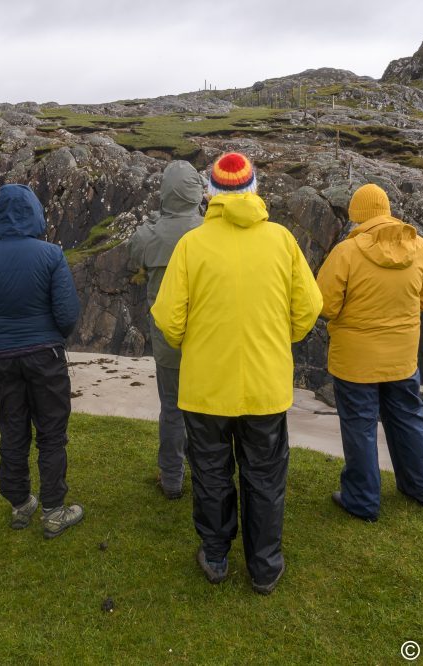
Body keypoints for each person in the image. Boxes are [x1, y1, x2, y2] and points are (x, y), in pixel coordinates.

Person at [152, 152, 322, 595]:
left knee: (210, 472)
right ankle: (265, 567)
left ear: (210, 192)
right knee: (265, 475)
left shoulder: (192, 244)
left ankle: (215, 555)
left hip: (205, 388)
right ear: (254, 188)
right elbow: (309, 308)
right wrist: (277, 341)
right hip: (266, 386)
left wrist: (194, 345)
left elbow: (168, 318)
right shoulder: (281, 240)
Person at [315, 183, 423, 523]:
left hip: (355, 360)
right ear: (386, 210)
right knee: (408, 419)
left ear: (356, 215)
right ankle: (422, 487)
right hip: (402, 357)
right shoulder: (422, 248)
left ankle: (362, 500)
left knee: (360, 426)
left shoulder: (347, 252)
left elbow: (325, 304)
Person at [0, 184, 83, 539]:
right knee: (51, 433)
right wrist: (51, 334)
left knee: (12, 430)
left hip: (4, 357)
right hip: (45, 354)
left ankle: (20, 504)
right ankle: (53, 510)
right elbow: (67, 313)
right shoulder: (51, 255)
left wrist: (0, 332)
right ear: (35, 211)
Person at [127, 160, 204, 500]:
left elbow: (135, 259)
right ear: (195, 193)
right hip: (206, 336)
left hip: (166, 336)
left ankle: (171, 478)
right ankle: (207, 476)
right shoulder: (208, 232)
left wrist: (157, 221)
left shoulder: (148, 235)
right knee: (205, 410)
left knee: (172, 409)